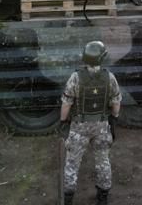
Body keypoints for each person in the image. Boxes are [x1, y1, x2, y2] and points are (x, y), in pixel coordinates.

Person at [59, 40, 122, 205]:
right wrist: (114, 119)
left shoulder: (75, 77)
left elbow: (66, 104)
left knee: (72, 164)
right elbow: (116, 104)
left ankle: (68, 199)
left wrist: (63, 121)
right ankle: (103, 199)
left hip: (79, 128)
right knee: (103, 161)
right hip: (101, 127)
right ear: (102, 59)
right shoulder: (109, 77)